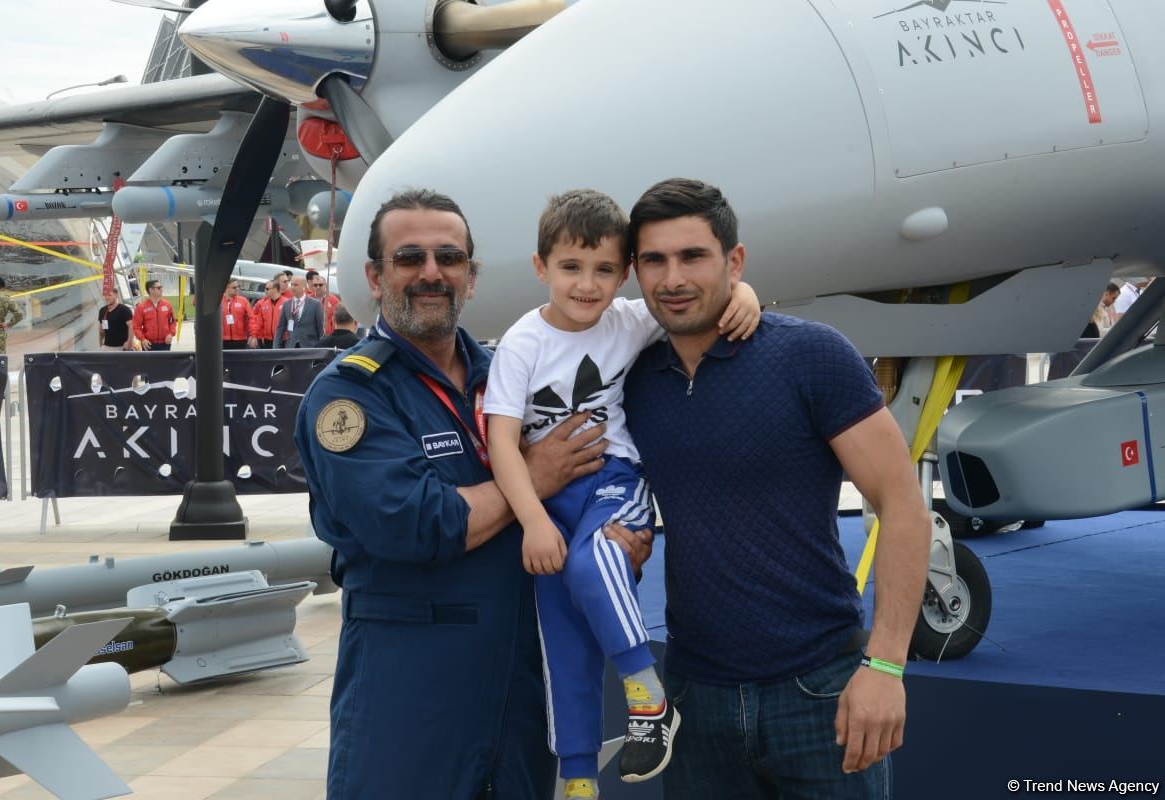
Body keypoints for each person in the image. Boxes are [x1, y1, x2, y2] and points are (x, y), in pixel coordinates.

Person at [293, 189, 652, 800]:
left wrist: (616, 541)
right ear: (375, 278)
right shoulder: (351, 398)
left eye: (450, 258)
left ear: (472, 277)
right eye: (410, 258)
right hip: (410, 696)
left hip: (516, 688)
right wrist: (533, 479)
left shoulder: (508, 371)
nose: (432, 273)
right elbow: (414, 524)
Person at [621, 178, 930, 800]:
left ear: (734, 262)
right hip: (693, 696)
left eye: (693, 256)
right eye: (654, 260)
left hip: (820, 691)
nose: (672, 277)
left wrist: (887, 665)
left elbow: (902, 507)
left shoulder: (812, 356)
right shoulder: (628, 377)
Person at [485, 190, 759, 797]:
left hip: (612, 483)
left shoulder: (630, 319)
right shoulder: (521, 343)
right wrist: (532, 521)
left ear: (625, 273)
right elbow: (502, 442)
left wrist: (745, 294)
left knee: (596, 559)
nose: (588, 285)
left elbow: (710, 297)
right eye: (571, 267)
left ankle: (647, 694)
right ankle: (579, 779)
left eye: (605, 269)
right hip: (547, 505)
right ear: (540, 268)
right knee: (563, 645)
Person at [273, 275, 323, 348]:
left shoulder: (315, 304)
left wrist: (320, 348)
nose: (292, 287)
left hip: (310, 347)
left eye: (296, 285)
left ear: (304, 287)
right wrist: (275, 347)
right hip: (291, 347)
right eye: (292, 284)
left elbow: (320, 328)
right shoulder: (286, 305)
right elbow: (280, 328)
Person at [132, 280, 177, 351]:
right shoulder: (141, 307)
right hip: (148, 344)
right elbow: (136, 326)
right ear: (151, 290)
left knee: (164, 362)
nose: (161, 289)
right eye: (159, 288)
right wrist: (143, 339)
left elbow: (172, 322)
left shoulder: (167, 305)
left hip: (165, 343)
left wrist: (171, 334)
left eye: (161, 287)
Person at [251, 280, 285, 349]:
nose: (265, 291)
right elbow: (259, 323)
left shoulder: (286, 303)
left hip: (282, 339)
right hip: (267, 340)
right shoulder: (264, 304)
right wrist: (254, 336)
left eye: (267, 289)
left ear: (275, 289)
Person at [220, 279, 253, 349]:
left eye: (238, 287)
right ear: (226, 288)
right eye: (234, 287)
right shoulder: (219, 301)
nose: (237, 289)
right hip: (222, 339)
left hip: (240, 339)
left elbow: (252, 318)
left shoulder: (243, 300)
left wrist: (252, 334)